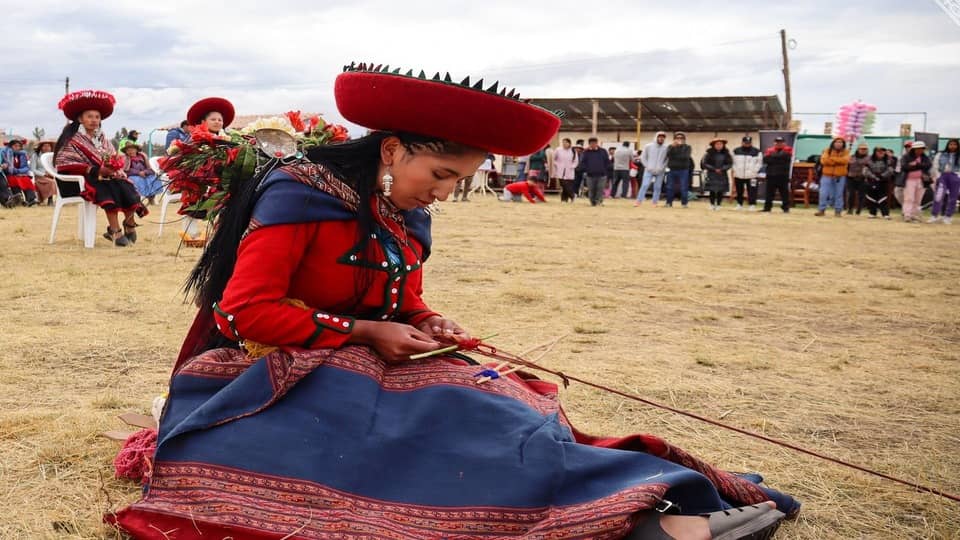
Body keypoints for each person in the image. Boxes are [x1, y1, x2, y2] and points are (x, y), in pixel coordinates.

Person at [111, 63, 795, 540]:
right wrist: (364, 331)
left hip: (362, 359)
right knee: (445, 419)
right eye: (438, 174)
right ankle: (642, 513)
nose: (443, 192)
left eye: (459, 182)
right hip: (272, 370)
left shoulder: (408, 215)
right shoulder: (301, 194)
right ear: (395, 148)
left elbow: (404, 302)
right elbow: (243, 312)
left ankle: (646, 496)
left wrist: (424, 321)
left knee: (499, 400)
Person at [54, 90, 147, 246]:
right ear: (80, 119)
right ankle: (115, 230)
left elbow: (112, 156)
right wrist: (95, 170)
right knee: (107, 186)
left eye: (97, 117)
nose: (94, 120)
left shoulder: (102, 137)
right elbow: (65, 163)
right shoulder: (72, 140)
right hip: (80, 181)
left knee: (126, 184)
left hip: (105, 177)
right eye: (89, 116)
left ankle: (129, 223)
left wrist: (113, 167)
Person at [179, 97, 237, 240]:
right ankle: (190, 229)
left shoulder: (226, 139)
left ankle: (219, 229)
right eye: (213, 119)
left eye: (220, 120)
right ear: (204, 122)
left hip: (221, 176)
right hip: (200, 177)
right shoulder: (195, 138)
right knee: (195, 197)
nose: (217, 122)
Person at [815, 137, 850, 217]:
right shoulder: (827, 150)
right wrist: (838, 160)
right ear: (833, 143)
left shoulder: (846, 152)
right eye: (837, 142)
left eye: (840, 142)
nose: (838, 143)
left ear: (843, 144)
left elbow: (845, 161)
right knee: (823, 193)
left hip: (840, 176)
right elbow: (824, 161)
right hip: (826, 175)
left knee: (839, 194)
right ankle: (821, 210)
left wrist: (832, 159)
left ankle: (838, 211)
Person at [928, 138, 960, 224]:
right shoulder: (941, 154)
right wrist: (938, 175)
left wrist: (958, 176)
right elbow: (935, 164)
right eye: (951, 144)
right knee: (939, 195)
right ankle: (934, 215)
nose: (952, 146)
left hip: (955, 176)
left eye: (954, 144)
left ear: (957, 146)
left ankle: (948, 216)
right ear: (947, 145)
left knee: (953, 197)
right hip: (943, 176)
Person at [901, 141, 932, 222]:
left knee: (918, 199)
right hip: (909, 180)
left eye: (922, 149)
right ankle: (907, 215)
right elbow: (904, 167)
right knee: (909, 198)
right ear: (913, 149)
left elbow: (928, 166)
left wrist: (915, 165)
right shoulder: (906, 157)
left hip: (922, 180)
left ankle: (913, 215)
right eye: (917, 149)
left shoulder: (925, 157)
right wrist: (919, 166)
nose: (920, 150)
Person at [635, 131, 668, 206]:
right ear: (656, 137)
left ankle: (654, 202)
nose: (661, 138)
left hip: (660, 171)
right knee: (645, 185)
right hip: (649, 170)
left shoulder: (666, 148)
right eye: (659, 137)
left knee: (657, 187)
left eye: (663, 137)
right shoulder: (648, 146)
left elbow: (667, 159)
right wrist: (647, 166)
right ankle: (638, 201)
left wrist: (662, 168)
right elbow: (643, 157)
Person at [3, 138, 39, 206]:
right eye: (15, 146)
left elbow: (26, 167)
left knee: (26, 179)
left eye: (19, 146)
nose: (17, 147)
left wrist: (19, 171)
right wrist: (15, 172)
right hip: (10, 174)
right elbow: (7, 168)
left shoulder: (22, 155)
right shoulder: (6, 155)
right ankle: (19, 200)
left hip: (21, 174)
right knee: (14, 180)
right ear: (10, 146)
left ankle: (31, 199)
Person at [761, 136, 792, 213]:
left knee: (784, 193)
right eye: (777, 142)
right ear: (774, 143)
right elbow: (765, 160)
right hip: (771, 175)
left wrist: (772, 157)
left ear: (784, 143)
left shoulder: (788, 149)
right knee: (769, 193)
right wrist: (778, 157)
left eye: (780, 142)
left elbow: (786, 157)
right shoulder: (769, 150)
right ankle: (767, 208)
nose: (779, 143)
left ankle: (786, 208)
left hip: (783, 175)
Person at [862, 146, 894, 219]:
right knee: (871, 197)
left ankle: (885, 214)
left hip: (883, 181)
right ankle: (872, 213)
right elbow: (865, 170)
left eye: (882, 151)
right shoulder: (869, 159)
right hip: (871, 180)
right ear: (875, 152)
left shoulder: (889, 160)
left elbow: (891, 170)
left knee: (883, 197)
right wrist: (873, 176)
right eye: (879, 151)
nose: (881, 153)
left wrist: (882, 176)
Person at [701, 138, 732, 211]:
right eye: (717, 144)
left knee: (720, 190)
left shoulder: (726, 153)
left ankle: (719, 204)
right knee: (712, 190)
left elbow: (729, 163)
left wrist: (722, 169)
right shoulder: (708, 153)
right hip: (712, 173)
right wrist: (714, 169)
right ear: (713, 145)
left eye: (721, 144)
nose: (719, 146)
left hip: (722, 173)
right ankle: (712, 204)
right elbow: (704, 163)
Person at [732, 136, 762, 210]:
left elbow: (759, 163)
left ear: (751, 143)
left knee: (752, 190)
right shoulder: (736, 151)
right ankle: (739, 204)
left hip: (752, 175)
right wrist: (736, 170)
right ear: (742, 142)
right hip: (739, 174)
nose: (747, 144)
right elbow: (733, 162)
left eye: (749, 143)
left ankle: (752, 205)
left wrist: (754, 171)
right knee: (739, 190)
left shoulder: (757, 151)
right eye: (745, 143)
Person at [664, 132, 692, 208]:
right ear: (674, 139)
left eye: (681, 138)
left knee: (683, 187)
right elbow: (668, 155)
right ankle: (668, 203)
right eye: (677, 138)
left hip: (683, 170)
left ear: (684, 140)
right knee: (669, 186)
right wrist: (673, 147)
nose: (679, 139)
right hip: (672, 169)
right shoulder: (670, 147)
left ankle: (684, 203)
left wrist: (677, 151)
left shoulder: (687, 147)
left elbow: (685, 157)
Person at [580, 137, 610, 206]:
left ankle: (599, 201)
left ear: (597, 143)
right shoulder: (586, 152)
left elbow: (607, 162)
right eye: (591, 143)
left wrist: (605, 170)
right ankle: (592, 202)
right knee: (591, 190)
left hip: (602, 175)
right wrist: (586, 169)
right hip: (590, 175)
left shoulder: (603, 151)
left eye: (594, 143)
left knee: (600, 189)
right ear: (589, 144)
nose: (593, 145)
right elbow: (583, 162)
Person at [30, 140, 58, 205]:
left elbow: (54, 167)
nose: (47, 148)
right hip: (39, 177)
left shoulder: (52, 156)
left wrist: (52, 173)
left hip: (50, 176)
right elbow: (33, 169)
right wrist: (44, 174)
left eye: (48, 146)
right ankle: (50, 200)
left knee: (57, 181)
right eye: (44, 146)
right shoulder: (35, 156)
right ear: (41, 147)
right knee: (52, 182)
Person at [846, 143, 870, 215]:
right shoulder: (851, 157)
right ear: (858, 149)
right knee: (851, 194)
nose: (863, 150)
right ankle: (850, 209)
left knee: (861, 195)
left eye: (865, 149)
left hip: (863, 178)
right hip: (851, 177)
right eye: (861, 149)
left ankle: (859, 210)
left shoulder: (870, 158)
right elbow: (847, 166)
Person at [552, 138, 578, 202]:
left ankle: (564, 200)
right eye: (563, 142)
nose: (564, 144)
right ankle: (572, 195)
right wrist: (556, 164)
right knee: (563, 184)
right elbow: (553, 158)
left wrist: (572, 166)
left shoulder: (573, 151)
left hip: (569, 170)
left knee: (567, 185)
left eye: (566, 142)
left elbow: (576, 161)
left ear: (569, 143)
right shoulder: (558, 150)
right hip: (560, 170)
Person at [893, 140, 912, 207]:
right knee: (897, 192)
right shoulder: (901, 157)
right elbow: (898, 169)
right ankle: (906, 208)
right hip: (902, 177)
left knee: (910, 196)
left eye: (910, 146)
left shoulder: (917, 157)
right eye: (907, 146)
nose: (908, 148)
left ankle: (909, 211)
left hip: (912, 178)